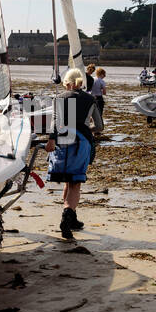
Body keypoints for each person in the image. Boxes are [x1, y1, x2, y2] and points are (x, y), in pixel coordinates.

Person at [46, 68, 98, 240]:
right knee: (75, 182)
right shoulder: (90, 99)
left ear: (67, 83)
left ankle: (72, 218)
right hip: (81, 143)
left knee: (69, 180)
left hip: (62, 141)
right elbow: (100, 126)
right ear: (80, 82)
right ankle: (67, 217)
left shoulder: (60, 97)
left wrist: (51, 139)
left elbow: (55, 121)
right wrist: (88, 128)